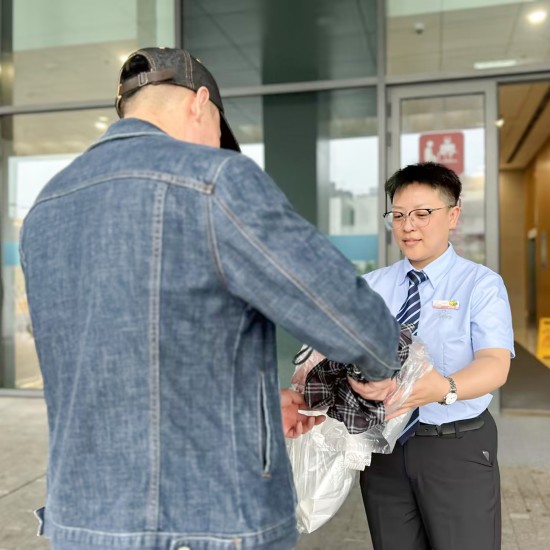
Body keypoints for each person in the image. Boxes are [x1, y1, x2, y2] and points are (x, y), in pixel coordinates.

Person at [20, 47, 402, 550]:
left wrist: (254, 405)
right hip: (207, 517)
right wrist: (382, 367)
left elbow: (122, 365)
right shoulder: (215, 180)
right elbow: (349, 319)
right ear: (200, 102)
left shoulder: (45, 208)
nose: (218, 145)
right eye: (219, 131)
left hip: (82, 519)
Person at [349, 161, 514, 550]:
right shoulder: (371, 287)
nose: (408, 226)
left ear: (453, 215)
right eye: (399, 215)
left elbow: (495, 364)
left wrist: (445, 388)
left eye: (422, 214)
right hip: (384, 450)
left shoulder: (481, 285)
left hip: (456, 446)